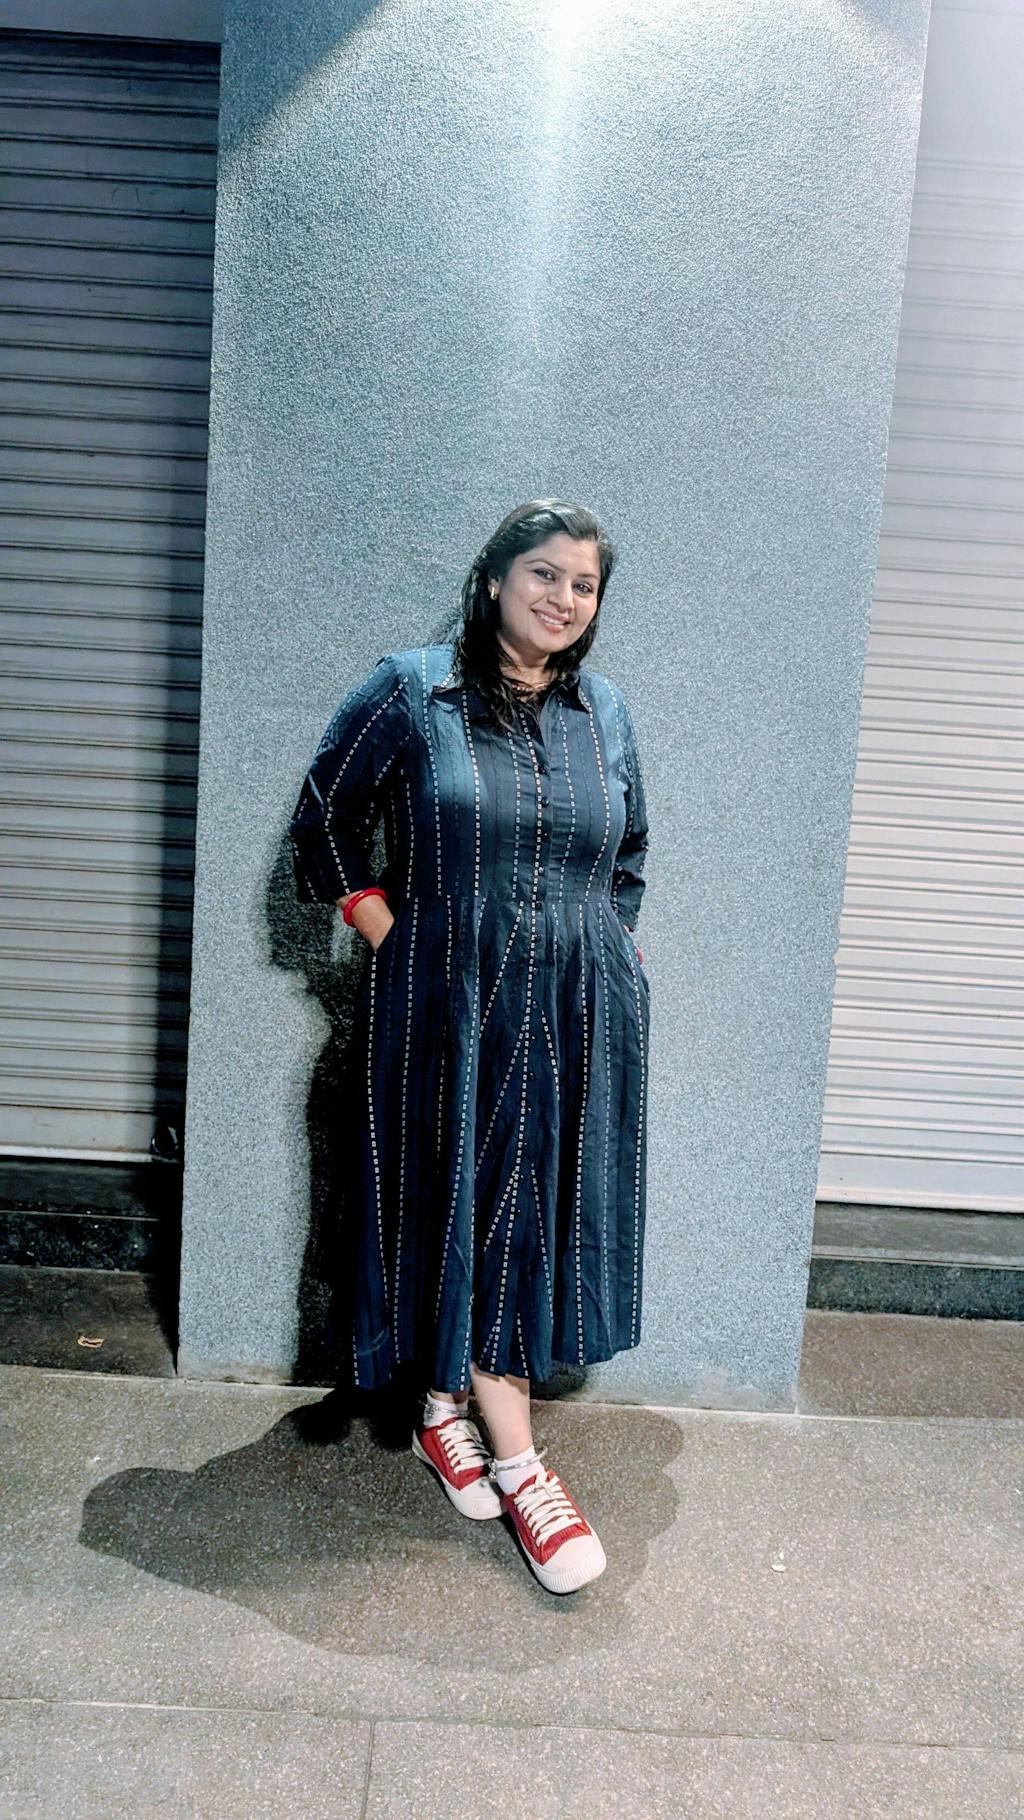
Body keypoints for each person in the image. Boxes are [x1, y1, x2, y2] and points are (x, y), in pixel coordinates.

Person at [288, 498, 650, 1595]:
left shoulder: (604, 711)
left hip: (577, 1012)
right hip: (443, 1006)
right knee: (464, 1200)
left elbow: (628, 855)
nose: (562, 599)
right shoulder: (412, 690)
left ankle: (446, 1407)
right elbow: (324, 821)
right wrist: (394, 938)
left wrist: (602, 959)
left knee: (531, 1211)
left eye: (583, 585)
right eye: (543, 574)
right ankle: (523, 1463)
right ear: (494, 578)